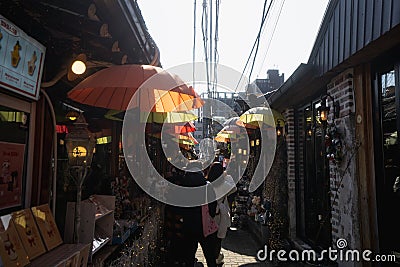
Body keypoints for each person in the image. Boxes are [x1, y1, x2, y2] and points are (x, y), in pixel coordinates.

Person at [179, 160, 218, 267]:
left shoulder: (182, 185)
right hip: (204, 224)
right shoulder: (206, 185)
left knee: (189, 256)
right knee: (210, 255)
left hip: (187, 225)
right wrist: (210, 215)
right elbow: (213, 205)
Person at [207, 162, 237, 266]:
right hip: (221, 213)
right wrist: (226, 176)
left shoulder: (208, 184)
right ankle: (216, 258)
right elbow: (234, 188)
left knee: (211, 238)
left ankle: (212, 257)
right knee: (219, 238)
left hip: (210, 213)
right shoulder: (225, 185)